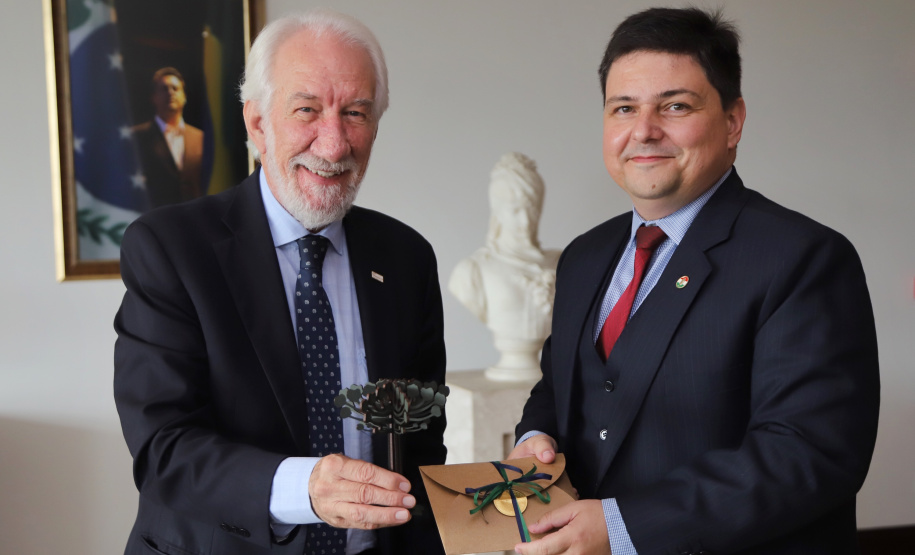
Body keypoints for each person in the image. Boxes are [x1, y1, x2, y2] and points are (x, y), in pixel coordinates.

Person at [509, 7, 879, 555]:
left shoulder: (805, 257)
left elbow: (806, 455)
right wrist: (533, 437)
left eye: (675, 106)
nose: (643, 131)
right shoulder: (584, 257)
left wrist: (621, 528)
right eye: (624, 108)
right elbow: (560, 388)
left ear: (733, 120)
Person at [114, 10, 446, 555]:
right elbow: (164, 450)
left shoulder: (407, 258)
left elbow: (421, 444)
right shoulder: (170, 249)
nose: (334, 144)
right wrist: (306, 487)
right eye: (306, 110)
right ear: (257, 124)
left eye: (356, 113)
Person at [448, 152, 560, 380]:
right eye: (516, 210)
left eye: (532, 209)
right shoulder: (473, 271)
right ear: (497, 211)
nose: (526, 221)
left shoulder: (560, 263)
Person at [131, 67, 206, 208]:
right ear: (153, 98)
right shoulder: (137, 136)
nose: (170, 93)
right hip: (154, 219)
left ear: (184, 97)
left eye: (175, 88)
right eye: (164, 89)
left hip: (195, 218)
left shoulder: (200, 138)